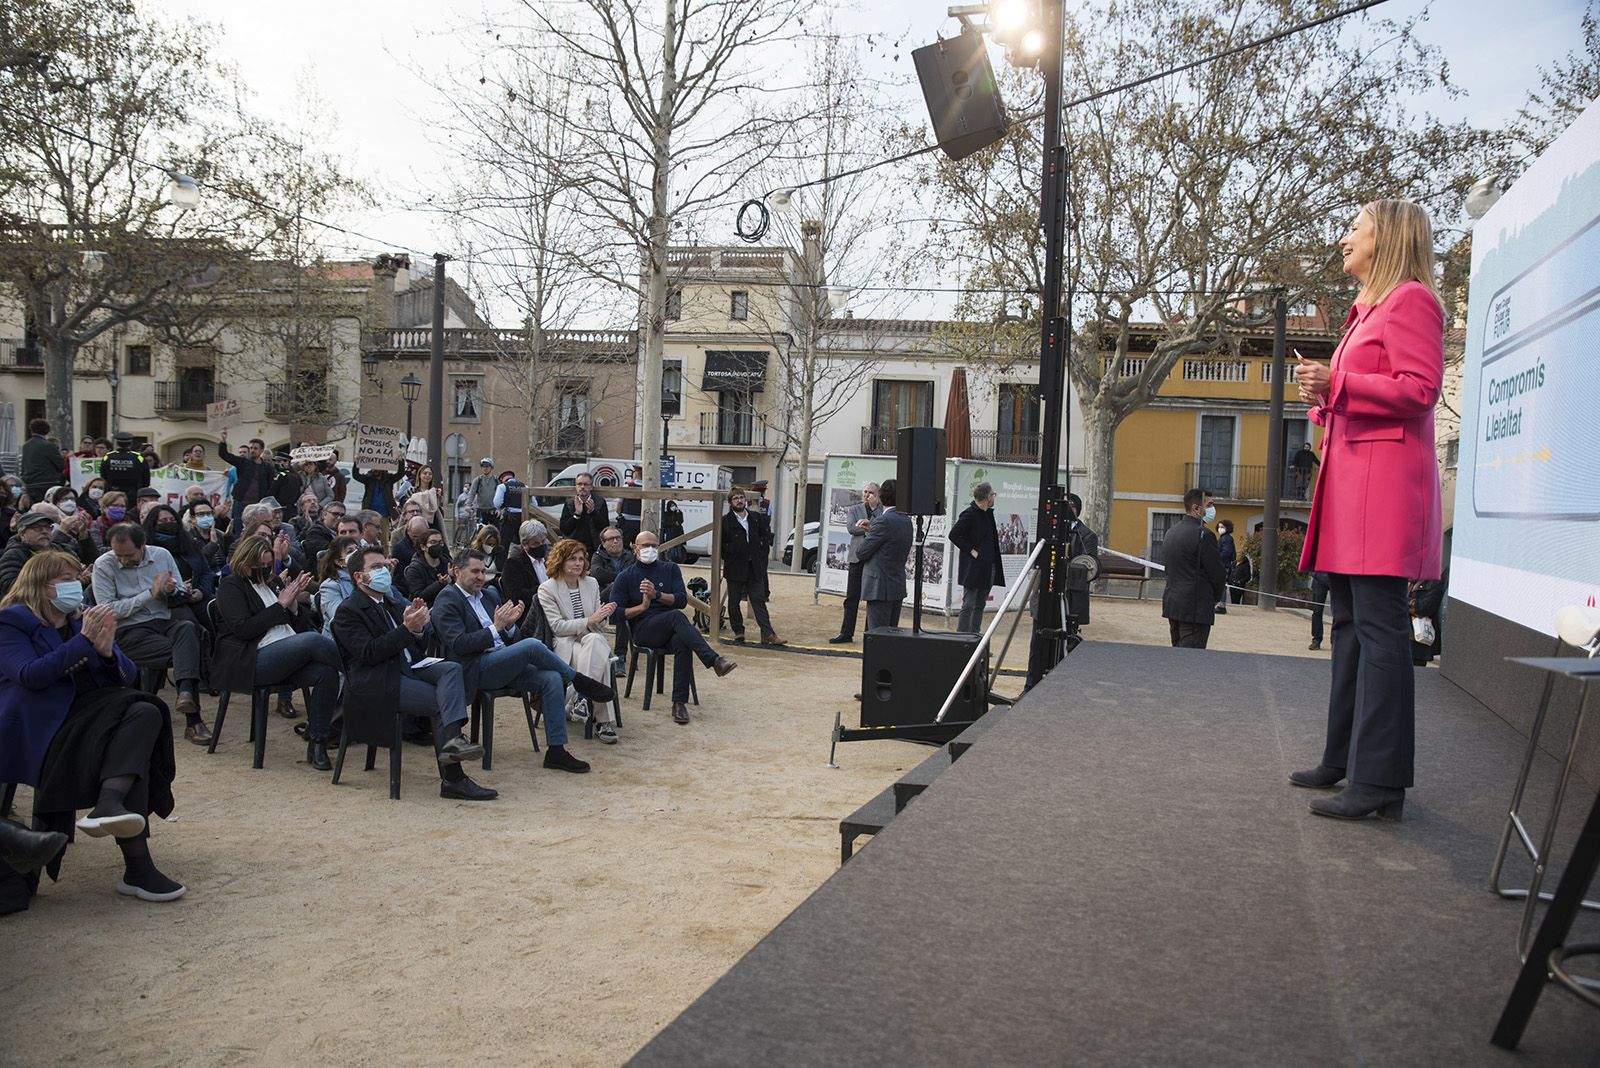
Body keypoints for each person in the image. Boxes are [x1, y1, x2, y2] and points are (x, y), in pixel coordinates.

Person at [1289, 199, 1445, 823]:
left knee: (1380, 629)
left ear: (1388, 241)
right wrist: (1322, 398)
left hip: (1381, 493)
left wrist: (1340, 385)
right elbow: (1355, 397)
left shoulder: (1412, 300)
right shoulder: (1365, 313)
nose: (1344, 238)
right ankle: (1343, 758)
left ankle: (1378, 782)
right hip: (1354, 486)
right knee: (1352, 623)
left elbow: (1420, 389)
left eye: (1355, 229)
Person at [0, 552, 185, 902]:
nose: (75, 585)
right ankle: (137, 864)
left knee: (145, 711)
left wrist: (106, 653)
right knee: (137, 724)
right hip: (39, 728)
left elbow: (128, 678)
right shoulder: (12, 621)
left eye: (75, 577)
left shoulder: (76, 623)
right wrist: (83, 641)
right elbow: (30, 675)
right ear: (41, 585)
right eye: (65, 578)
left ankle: (111, 803)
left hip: (83, 719)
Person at [329, 546, 494, 800]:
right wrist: (406, 629)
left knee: (452, 669)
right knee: (441, 703)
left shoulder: (390, 602)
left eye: (384, 565)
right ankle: (453, 778)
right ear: (359, 577)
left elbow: (414, 644)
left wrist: (417, 629)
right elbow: (369, 653)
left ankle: (453, 741)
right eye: (376, 567)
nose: (384, 571)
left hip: (409, 668)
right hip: (378, 681)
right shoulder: (349, 611)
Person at [432, 549, 615, 772]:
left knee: (551, 678)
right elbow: (459, 645)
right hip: (475, 668)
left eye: (483, 571)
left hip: (502, 662)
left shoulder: (489, 595)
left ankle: (556, 751)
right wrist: (496, 628)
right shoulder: (447, 598)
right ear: (456, 571)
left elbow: (513, 639)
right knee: (532, 646)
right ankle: (578, 680)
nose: (481, 576)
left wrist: (508, 627)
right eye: (475, 571)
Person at [213, 534, 344, 770]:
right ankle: (359, 670)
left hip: (285, 654)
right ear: (245, 562)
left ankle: (317, 742)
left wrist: (293, 606)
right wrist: (280, 605)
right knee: (315, 641)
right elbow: (244, 629)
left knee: (327, 673)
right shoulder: (231, 586)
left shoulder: (271, 583)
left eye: (267, 564)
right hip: (253, 660)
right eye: (259, 565)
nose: (264, 569)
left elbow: (298, 628)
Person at [91, 522, 210, 741]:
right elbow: (108, 609)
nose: (123, 560)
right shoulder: (104, 565)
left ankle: (185, 694)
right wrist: (150, 593)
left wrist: (172, 589)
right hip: (128, 631)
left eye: (129, 555)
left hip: (164, 622)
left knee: (186, 629)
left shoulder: (161, 555)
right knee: (188, 650)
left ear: (143, 544)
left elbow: (181, 590)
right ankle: (194, 721)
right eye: (119, 555)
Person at [613, 530, 737, 724]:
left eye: (654, 546)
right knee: (677, 618)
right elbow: (616, 613)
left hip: (671, 628)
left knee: (683, 640)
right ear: (635, 548)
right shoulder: (625, 576)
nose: (650, 549)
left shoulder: (670, 569)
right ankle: (714, 661)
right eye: (645, 546)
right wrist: (642, 606)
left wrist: (658, 595)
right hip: (643, 630)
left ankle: (679, 703)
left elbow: (681, 599)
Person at [538, 538, 621, 744]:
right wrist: (590, 619)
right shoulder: (547, 588)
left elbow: (597, 626)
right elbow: (557, 627)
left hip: (590, 639)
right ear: (560, 561)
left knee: (594, 641)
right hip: (565, 643)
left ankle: (581, 698)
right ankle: (603, 722)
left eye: (581, 559)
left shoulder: (591, 583)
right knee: (598, 660)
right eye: (572, 559)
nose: (578, 563)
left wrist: (602, 616)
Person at [1161, 488, 1226, 649]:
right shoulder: (1204, 535)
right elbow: (1217, 573)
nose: (1212, 509)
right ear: (1197, 509)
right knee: (1191, 660)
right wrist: (1215, 598)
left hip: (1173, 603)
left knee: (1177, 654)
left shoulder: (1171, 531)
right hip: (1195, 606)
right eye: (1209, 504)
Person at [720, 488, 784, 645]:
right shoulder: (725, 521)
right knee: (734, 602)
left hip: (754, 567)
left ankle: (768, 634)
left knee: (758, 600)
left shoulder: (755, 518)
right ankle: (739, 631)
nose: (739, 500)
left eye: (741, 497)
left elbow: (766, 536)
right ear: (730, 502)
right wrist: (733, 551)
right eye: (736, 498)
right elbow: (721, 544)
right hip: (735, 567)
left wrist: (761, 555)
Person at [856, 479, 913, 632]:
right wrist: (872, 530)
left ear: (881, 497)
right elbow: (889, 544)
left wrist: (871, 532)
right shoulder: (906, 520)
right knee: (890, 638)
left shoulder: (883, 521)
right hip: (896, 585)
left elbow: (861, 552)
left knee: (878, 637)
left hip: (880, 588)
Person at [949, 481, 1003, 634]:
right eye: (993, 494)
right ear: (987, 497)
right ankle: (961, 636)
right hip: (973, 567)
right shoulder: (969, 514)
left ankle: (974, 635)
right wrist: (971, 550)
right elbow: (954, 535)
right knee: (969, 604)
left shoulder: (988, 514)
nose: (994, 497)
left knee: (980, 605)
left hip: (988, 566)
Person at [830, 483, 880, 644]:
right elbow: (851, 528)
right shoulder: (855, 509)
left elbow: (882, 529)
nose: (867, 495)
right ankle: (846, 633)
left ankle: (870, 634)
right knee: (852, 597)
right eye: (865, 492)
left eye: (871, 492)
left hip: (873, 559)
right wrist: (870, 528)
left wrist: (868, 525)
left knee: (872, 598)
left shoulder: (882, 511)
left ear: (877, 494)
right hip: (856, 559)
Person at [144, 503, 216, 602]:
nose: (169, 523)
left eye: (173, 520)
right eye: (164, 521)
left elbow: (206, 572)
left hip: (198, 598)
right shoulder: (148, 549)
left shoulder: (189, 543)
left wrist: (201, 591)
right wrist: (178, 589)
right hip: (168, 602)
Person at [218, 434, 273, 529]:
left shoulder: (268, 468)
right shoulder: (243, 462)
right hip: (240, 503)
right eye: (251, 448)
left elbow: (270, 485)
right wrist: (223, 441)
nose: (252, 450)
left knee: (256, 529)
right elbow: (224, 455)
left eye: (255, 448)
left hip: (258, 505)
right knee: (238, 530)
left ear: (261, 450)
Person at [0, 511, 57, 599]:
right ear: (22, 534)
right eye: (38, 528)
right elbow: (10, 586)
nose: (45, 531)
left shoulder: (58, 550)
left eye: (48, 527)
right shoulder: (14, 555)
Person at [501, 519, 550, 608]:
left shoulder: (549, 561)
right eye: (536, 543)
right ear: (525, 544)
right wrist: (546, 590)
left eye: (543, 541)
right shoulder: (513, 565)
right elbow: (516, 597)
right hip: (531, 614)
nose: (541, 545)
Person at [558, 471, 609, 553]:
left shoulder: (600, 502)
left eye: (586, 484)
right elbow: (564, 529)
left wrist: (593, 512)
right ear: (576, 486)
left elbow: (605, 527)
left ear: (591, 487)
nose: (582, 487)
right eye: (579, 484)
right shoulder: (569, 503)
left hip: (594, 548)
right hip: (573, 547)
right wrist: (576, 515)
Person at [20, 418, 65, 504]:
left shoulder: (26, 446)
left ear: (31, 430)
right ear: (46, 431)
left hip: (31, 486)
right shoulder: (49, 446)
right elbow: (61, 465)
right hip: (48, 484)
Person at [402, 528, 451, 605]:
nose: (437, 545)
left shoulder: (447, 563)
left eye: (440, 542)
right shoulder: (414, 569)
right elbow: (418, 596)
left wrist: (454, 578)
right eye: (433, 542)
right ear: (423, 547)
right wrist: (439, 584)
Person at [98, 431, 149, 501]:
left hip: (112, 494)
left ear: (117, 443)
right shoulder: (138, 457)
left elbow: (103, 477)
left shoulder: (108, 457)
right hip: (133, 495)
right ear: (131, 443)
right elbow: (146, 479)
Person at [352, 454, 405, 518]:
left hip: (385, 513)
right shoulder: (368, 479)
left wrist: (400, 462)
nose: (376, 468)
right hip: (370, 513)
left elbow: (400, 474)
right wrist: (356, 463)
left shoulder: (389, 479)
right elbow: (356, 476)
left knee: (384, 528)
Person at [590, 526, 634, 600]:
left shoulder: (631, 556)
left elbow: (634, 575)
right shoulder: (598, 556)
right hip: (605, 597)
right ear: (603, 543)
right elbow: (596, 573)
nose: (615, 541)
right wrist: (621, 579)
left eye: (618, 538)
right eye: (611, 539)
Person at [492, 470, 527, 553]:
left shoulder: (502, 486)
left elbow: (497, 503)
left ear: (503, 479)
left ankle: (501, 564)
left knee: (504, 544)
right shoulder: (524, 486)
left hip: (509, 518)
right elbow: (534, 504)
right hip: (523, 518)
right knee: (523, 543)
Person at [467, 458, 499, 534]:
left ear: (491, 468)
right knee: (481, 533)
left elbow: (500, 495)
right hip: (481, 510)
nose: (485, 468)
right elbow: (472, 493)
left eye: (487, 466)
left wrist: (500, 508)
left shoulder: (496, 480)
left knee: (495, 532)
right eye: (483, 466)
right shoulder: (478, 480)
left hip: (493, 510)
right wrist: (468, 505)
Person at [408, 466, 444, 530]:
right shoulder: (412, 491)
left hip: (433, 524)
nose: (427, 475)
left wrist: (439, 498)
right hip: (417, 523)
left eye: (430, 474)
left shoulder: (436, 491)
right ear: (419, 475)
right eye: (425, 473)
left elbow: (437, 509)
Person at [617, 464, 643, 546]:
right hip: (641, 522)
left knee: (624, 546)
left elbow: (619, 506)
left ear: (636, 473)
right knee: (640, 546)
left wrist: (620, 514)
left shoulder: (627, 486)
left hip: (627, 522)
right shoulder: (647, 487)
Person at [1215, 519, 1237, 614]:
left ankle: (1221, 605)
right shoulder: (1224, 538)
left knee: (1221, 586)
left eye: (1222, 527)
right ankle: (1220, 604)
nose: (1220, 529)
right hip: (1223, 565)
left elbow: (1226, 552)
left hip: (1223, 565)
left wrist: (1216, 557)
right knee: (1221, 585)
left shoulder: (1226, 539)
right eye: (1219, 527)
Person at [1307, 571, 1331, 651]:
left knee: (1338, 612)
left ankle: (1335, 641)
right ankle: (1316, 640)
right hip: (1319, 576)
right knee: (1317, 611)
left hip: (1335, 576)